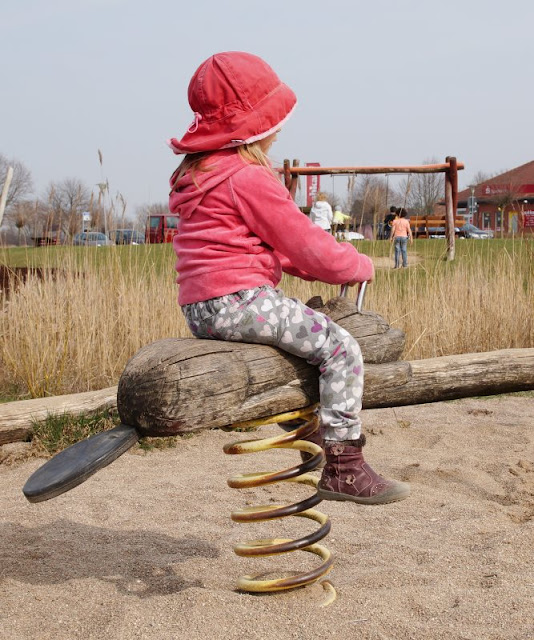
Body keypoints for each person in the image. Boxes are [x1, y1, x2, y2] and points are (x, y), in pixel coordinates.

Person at [167, 51, 409, 505]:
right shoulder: (248, 178)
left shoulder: (202, 174)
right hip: (240, 300)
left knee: (303, 337)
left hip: (203, 308)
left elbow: (272, 246)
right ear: (259, 125)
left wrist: (305, 264)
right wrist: (356, 264)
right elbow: (303, 243)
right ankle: (345, 466)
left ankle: (306, 426)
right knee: (340, 348)